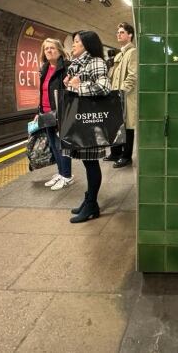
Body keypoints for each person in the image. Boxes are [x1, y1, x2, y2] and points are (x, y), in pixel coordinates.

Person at [63, 30, 111, 223]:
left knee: (91, 163)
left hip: (90, 122)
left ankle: (91, 205)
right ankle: (89, 200)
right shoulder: (77, 64)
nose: (73, 45)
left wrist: (77, 87)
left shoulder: (96, 61)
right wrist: (69, 83)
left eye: (75, 42)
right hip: (80, 120)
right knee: (86, 162)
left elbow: (104, 87)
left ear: (86, 45)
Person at [36, 38, 74, 191]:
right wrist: (38, 111)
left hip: (60, 112)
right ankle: (60, 172)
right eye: (46, 49)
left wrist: (64, 113)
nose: (49, 51)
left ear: (59, 50)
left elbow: (69, 91)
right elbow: (42, 92)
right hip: (46, 112)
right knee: (53, 144)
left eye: (52, 48)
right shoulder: (44, 68)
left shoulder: (66, 67)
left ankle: (67, 176)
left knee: (61, 145)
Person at [104, 22, 137, 168]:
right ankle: (116, 153)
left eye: (122, 32)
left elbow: (133, 75)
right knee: (117, 125)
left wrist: (122, 91)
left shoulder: (133, 52)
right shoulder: (120, 54)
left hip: (126, 97)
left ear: (130, 35)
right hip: (116, 96)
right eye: (118, 32)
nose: (118, 34)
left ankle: (126, 156)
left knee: (128, 127)